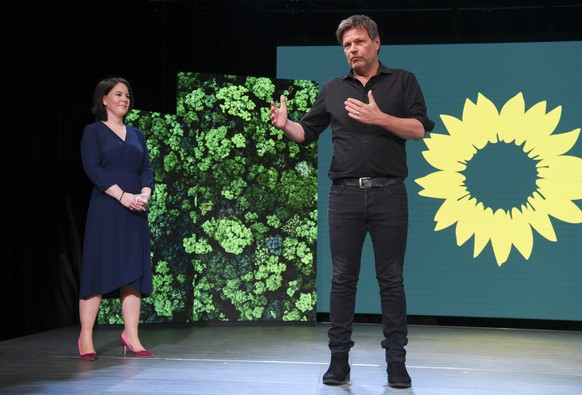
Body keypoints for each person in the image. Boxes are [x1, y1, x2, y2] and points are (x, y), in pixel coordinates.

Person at [270, 15, 434, 388]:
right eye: (347, 45)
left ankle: (396, 362)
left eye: (359, 42)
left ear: (376, 44)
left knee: (391, 279)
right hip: (344, 195)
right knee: (343, 278)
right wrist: (286, 125)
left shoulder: (403, 81)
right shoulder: (332, 89)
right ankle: (339, 360)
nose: (353, 50)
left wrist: (381, 118)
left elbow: (420, 128)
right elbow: (307, 132)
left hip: (390, 193)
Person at [78, 77, 155, 360]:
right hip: (107, 206)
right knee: (98, 268)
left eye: (128, 95)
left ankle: (131, 335)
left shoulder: (137, 135)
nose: (125, 99)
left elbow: (147, 169)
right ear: (104, 100)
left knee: (133, 272)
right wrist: (122, 195)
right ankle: (86, 336)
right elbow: (92, 168)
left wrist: (144, 194)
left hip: (136, 208)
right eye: (118, 94)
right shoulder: (93, 131)